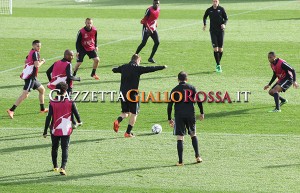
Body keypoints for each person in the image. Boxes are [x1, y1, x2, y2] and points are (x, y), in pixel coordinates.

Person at [112, 54, 167, 138]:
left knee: (125, 112)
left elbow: (114, 70)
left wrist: (117, 68)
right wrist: (162, 67)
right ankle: (128, 133)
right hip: (132, 94)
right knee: (134, 113)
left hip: (122, 93)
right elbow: (151, 69)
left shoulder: (124, 67)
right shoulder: (137, 68)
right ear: (138, 60)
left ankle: (117, 121)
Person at [43, 82, 82, 176]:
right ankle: (63, 168)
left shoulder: (52, 102)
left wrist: (45, 131)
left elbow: (48, 117)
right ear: (66, 90)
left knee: (54, 147)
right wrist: (79, 121)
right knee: (65, 148)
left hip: (55, 129)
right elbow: (76, 114)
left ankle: (55, 166)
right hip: (66, 129)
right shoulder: (70, 102)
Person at [167, 71, 204, 166]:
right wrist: (202, 112)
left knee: (180, 137)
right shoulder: (192, 88)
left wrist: (169, 118)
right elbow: (199, 101)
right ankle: (198, 156)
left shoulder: (174, 90)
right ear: (186, 79)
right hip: (190, 114)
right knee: (193, 134)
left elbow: (170, 105)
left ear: (178, 79)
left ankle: (180, 161)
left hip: (179, 115)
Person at [7, 40, 48, 119]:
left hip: (32, 77)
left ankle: (42, 109)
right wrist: (43, 61)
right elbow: (37, 65)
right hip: (30, 78)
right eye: (37, 46)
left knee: (42, 90)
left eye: (40, 46)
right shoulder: (35, 53)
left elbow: (26, 60)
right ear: (33, 46)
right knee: (25, 94)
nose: (39, 47)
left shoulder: (31, 51)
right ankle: (11, 110)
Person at [203, 0, 228, 73]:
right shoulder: (209, 10)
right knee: (215, 49)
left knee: (220, 49)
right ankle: (218, 64)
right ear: (212, 2)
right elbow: (204, 17)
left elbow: (226, 18)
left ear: (218, 2)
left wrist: (224, 24)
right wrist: (205, 24)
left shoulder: (221, 9)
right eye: (214, 1)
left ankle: (218, 63)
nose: (215, 3)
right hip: (213, 31)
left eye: (216, 1)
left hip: (221, 31)